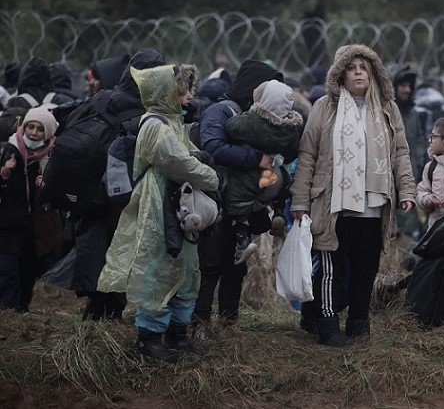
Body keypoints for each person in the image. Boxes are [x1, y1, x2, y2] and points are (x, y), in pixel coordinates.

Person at [290, 44, 416, 347]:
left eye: (364, 67)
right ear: (340, 74)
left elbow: (400, 152)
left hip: (374, 205)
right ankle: (328, 324)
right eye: (352, 67)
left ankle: (359, 323)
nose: (359, 72)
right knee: (333, 267)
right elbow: (307, 155)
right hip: (334, 204)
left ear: (373, 73)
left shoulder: (387, 108)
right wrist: (300, 200)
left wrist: (407, 189)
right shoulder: (324, 107)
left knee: (366, 267)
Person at [97, 64, 219, 364]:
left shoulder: (173, 121)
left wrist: (198, 162)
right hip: (158, 203)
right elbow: (179, 161)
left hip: (178, 202)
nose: (190, 96)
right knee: (159, 268)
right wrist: (211, 176)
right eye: (184, 90)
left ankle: (177, 334)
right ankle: (149, 338)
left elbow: (188, 154)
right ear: (167, 91)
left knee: (186, 268)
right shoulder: (154, 125)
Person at [71, 49, 166, 322]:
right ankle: (107, 314)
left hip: (91, 191)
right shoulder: (144, 112)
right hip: (124, 194)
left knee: (99, 250)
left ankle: (97, 314)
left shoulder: (101, 98)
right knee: (121, 251)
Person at [194, 60, 285, 330]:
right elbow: (212, 147)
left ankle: (228, 326)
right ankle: (198, 326)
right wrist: (257, 158)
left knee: (235, 268)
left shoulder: (253, 121)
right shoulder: (220, 112)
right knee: (210, 268)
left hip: (239, 207)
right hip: (215, 203)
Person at [223, 79, 302, 256]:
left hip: (251, 175)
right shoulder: (290, 130)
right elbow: (291, 153)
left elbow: (231, 127)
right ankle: (279, 213)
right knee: (282, 189)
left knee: (237, 202)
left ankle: (242, 238)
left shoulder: (253, 121)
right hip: (276, 174)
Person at [0, 107, 59, 311]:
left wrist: (44, 185)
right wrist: (4, 173)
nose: (33, 133)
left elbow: (54, 195)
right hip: (7, 224)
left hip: (33, 227)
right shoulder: (11, 150)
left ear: (48, 133)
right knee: (7, 271)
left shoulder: (50, 157)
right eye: (30, 127)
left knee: (27, 272)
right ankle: (8, 310)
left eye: (39, 129)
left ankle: (21, 308)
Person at [389, 64, 425, 238]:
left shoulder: (413, 114)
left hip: (410, 175)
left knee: (408, 225)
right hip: (389, 175)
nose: (407, 90)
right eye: (403, 85)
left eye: (409, 86)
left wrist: (418, 164)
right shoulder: (386, 113)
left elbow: (419, 141)